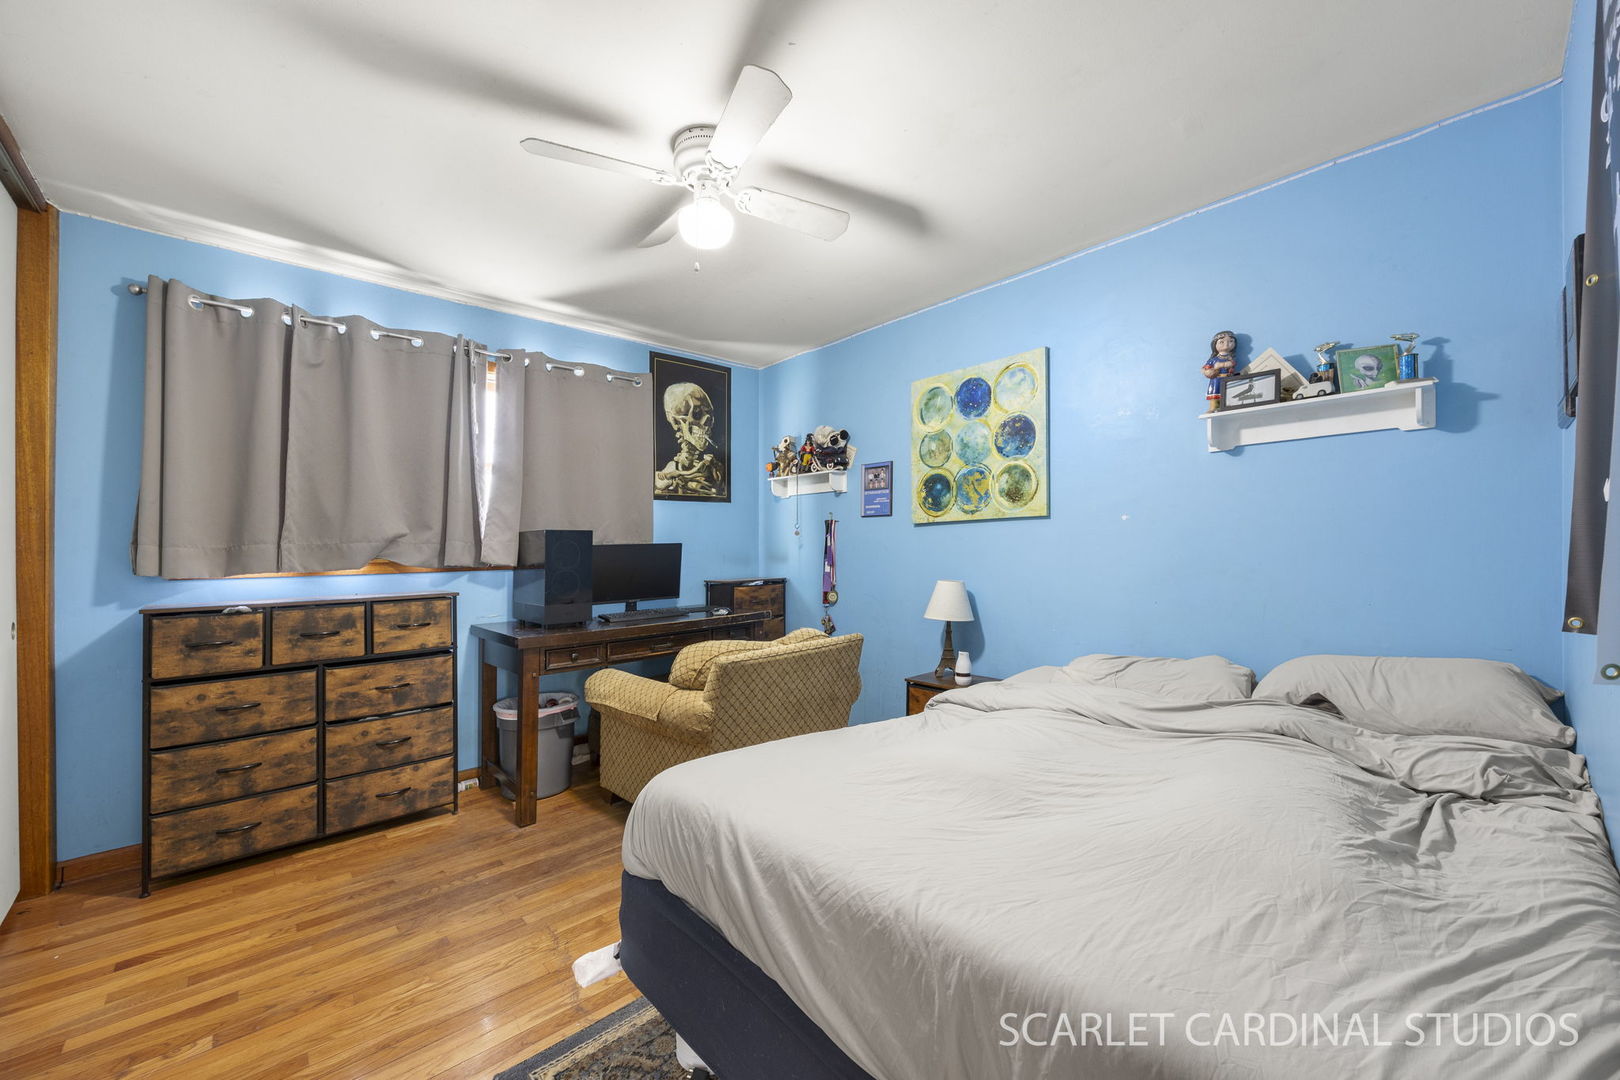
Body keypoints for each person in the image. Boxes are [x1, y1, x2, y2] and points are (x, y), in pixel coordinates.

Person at [1203, 330, 1238, 411]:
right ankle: (1213, 407)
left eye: (1231, 341)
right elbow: (1206, 368)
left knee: (1227, 393)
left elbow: (1232, 363)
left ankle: (1225, 406)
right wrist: (1208, 371)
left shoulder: (1231, 358)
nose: (1226, 344)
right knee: (1215, 392)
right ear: (1215, 344)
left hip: (1228, 379)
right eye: (1222, 342)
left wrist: (1222, 365)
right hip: (1216, 379)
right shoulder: (1214, 359)